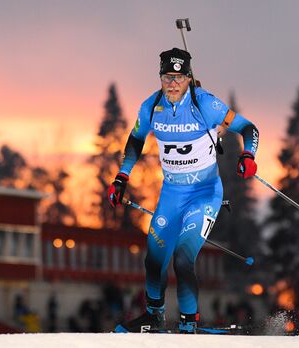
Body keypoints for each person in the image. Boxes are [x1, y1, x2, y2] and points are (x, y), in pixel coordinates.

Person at [109, 47, 259, 333]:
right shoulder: (152, 106)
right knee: (153, 258)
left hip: (204, 194)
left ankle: (189, 325)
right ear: (160, 77)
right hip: (171, 195)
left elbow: (249, 128)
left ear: (189, 78)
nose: (173, 83)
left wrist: (248, 155)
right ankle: (154, 317)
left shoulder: (206, 104)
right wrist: (121, 178)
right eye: (167, 76)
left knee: (182, 258)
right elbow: (135, 140)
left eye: (179, 77)